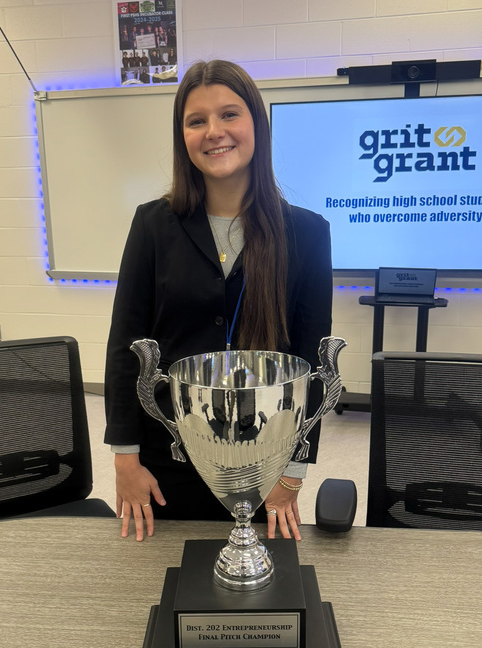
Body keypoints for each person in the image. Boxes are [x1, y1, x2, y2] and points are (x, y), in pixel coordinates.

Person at [104, 60, 333, 543]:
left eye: (230, 114)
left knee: (258, 603)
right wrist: (125, 458)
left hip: (264, 458)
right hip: (168, 458)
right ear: (182, 135)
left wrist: (292, 473)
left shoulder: (307, 234)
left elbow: (312, 361)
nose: (214, 132)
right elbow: (126, 346)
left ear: (256, 125)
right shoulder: (152, 226)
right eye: (196, 121)